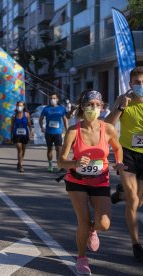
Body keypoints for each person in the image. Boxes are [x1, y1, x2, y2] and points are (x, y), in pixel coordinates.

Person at [57, 90, 125, 275]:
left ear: (102, 107)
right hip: (76, 180)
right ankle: (81, 258)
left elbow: (118, 148)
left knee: (104, 224)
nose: (93, 108)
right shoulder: (73, 131)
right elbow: (61, 161)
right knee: (83, 221)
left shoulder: (108, 129)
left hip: (100, 179)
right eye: (89, 105)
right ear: (83, 107)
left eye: (97, 105)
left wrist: (118, 163)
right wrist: (75, 163)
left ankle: (92, 230)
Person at [105, 66, 143, 261]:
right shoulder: (123, 100)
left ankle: (119, 194)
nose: (141, 86)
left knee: (138, 199)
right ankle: (136, 244)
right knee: (134, 200)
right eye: (137, 83)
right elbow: (107, 125)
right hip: (128, 154)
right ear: (130, 84)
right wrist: (121, 108)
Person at [39, 92, 69, 172]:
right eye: (51, 98)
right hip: (48, 132)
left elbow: (65, 119)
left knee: (59, 149)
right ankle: (50, 165)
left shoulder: (61, 109)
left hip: (58, 132)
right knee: (49, 149)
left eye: (54, 98)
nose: (52, 100)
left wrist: (67, 129)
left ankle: (60, 165)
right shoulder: (46, 109)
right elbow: (41, 119)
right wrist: (42, 127)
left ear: (57, 99)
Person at [11, 101, 33, 172]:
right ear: (16, 106)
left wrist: (31, 132)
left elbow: (29, 124)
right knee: (19, 150)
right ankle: (21, 165)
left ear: (23, 107)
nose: (19, 107)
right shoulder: (14, 116)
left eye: (21, 105)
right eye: (18, 105)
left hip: (25, 134)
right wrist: (11, 135)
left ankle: (19, 162)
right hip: (17, 134)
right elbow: (12, 126)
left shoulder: (26, 114)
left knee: (23, 150)